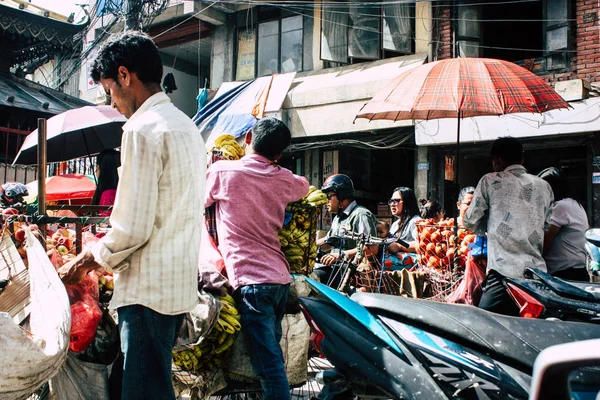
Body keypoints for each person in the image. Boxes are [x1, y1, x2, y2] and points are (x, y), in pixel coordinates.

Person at [58, 31, 207, 400]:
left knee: (143, 391)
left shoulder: (142, 129)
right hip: (174, 289)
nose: (114, 102)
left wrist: (86, 260)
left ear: (125, 76)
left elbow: (132, 228)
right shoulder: (186, 125)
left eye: (110, 90)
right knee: (143, 385)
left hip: (147, 293)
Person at [204, 117, 309, 400]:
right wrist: (276, 169)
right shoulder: (283, 178)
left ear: (247, 137)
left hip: (250, 282)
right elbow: (304, 186)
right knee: (268, 356)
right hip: (278, 280)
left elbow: (199, 201)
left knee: (269, 366)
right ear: (278, 155)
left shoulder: (223, 171)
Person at [464, 137, 553, 316]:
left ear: (496, 159)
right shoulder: (545, 186)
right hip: (535, 276)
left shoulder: (490, 180)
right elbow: (545, 226)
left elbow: (470, 221)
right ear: (522, 158)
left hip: (503, 273)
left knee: (484, 324)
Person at [314, 174, 377, 284]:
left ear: (341, 195)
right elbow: (327, 240)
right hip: (335, 267)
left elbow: (372, 248)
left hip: (351, 271)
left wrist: (341, 255)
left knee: (314, 278)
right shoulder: (338, 218)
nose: (326, 202)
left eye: (329, 196)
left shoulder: (361, 215)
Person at [538, 167, 589, 281]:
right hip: (577, 270)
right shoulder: (575, 204)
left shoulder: (560, 207)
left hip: (564, 274)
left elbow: (545, 242)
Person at [91, 149, 121, 215]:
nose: (96, 172)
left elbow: (104, 223)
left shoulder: (108, 195)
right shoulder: (121, 191)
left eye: (97, 168)